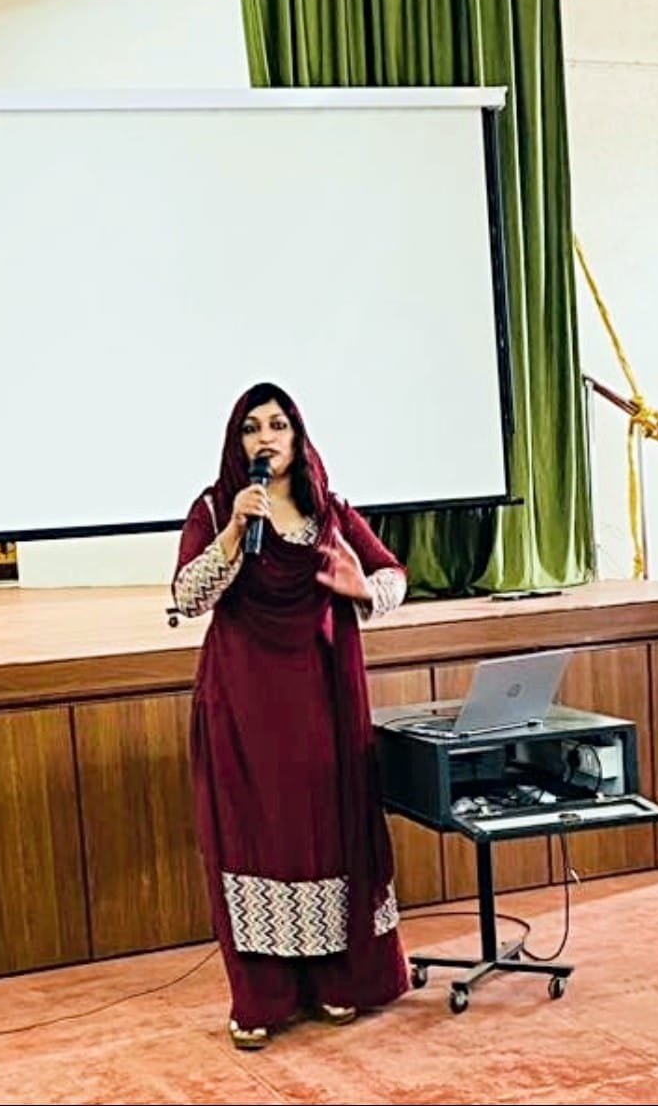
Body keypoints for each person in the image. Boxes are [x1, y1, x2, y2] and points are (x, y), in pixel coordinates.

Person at [172, 382, 409, 1050]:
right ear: (237, 443)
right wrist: (230, 534)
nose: (266, 438)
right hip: (244, 702)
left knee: (324, 832)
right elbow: (187, 597)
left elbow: (393, 576)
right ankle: (263, 996)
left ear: (298, 438)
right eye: (252, 428)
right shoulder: (217, 507)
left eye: (278, 426)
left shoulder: (328, 510)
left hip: (321, 700)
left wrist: (363, 589)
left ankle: (337, 979)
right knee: (258, 836)